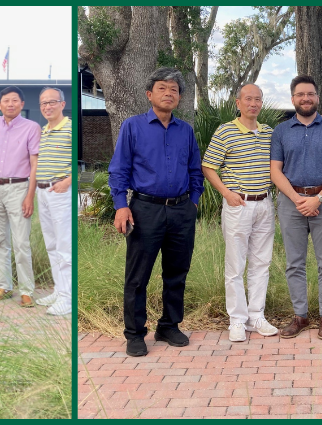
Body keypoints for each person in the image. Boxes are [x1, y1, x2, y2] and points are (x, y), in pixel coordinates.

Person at [108, 67, 204, 357]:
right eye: (162, 88)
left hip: (180, 211)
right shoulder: (133, 126)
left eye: (174, 89)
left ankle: (169, 326)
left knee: (177, 272)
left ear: (180, 97)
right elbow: (119, 169)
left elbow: (195, 170)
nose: (169, 93)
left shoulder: (185, 130)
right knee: (138, 275)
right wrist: (121, 205)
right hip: (144, 209)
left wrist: (194, 202)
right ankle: (135, 333)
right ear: (150, 94)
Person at [270, 75, 322, 340]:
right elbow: (275, 172)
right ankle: (300, 316)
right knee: (295, 263)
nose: (306, 98)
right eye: (301, 94)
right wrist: (298, 200)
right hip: (291, 203)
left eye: (310, 94)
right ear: (293, 99)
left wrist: (319, 199)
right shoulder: (281, 131)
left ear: (317, 97)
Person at [201, 83, 278, 342]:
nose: (253, 104)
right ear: (238, 102)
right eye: (248, 99)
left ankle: (257, 316)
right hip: (238, 205)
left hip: (265, 204)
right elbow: (209, 166)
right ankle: (237, 320)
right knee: (235, 265)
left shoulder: (269, 132)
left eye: (258, 99)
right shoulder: (225, 132)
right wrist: (227, 193)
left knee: (261, 263)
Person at [0, 86, 41, 307]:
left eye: (14, 101)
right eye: (6, 101)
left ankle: (26, 290)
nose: (10, 104)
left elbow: (35, 164)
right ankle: (4, 286)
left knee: (21, 242)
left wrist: (30, 195)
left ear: (21, 104)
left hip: (19, 188)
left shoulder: (31, 127)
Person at [34, 87, 73, 316]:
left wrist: (67, 182)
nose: (47, 106)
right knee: (51, 245)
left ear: (62, 103)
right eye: (43, 104)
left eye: (51, 102)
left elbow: (80, 164)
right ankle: (59, 291)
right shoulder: (43, 130)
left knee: (64, 246)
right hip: (43, 192)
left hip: (60, 192)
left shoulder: (69, 127)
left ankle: (68, 299)